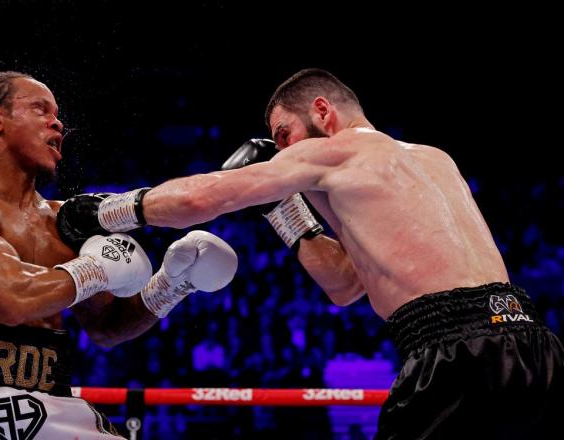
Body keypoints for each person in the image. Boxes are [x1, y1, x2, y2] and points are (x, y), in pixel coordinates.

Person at [57, 68, 564, 438]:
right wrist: (286, 211)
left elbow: (198, 199)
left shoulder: (331, 153)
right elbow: (345, 285)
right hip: (532, 341)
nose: (282, 151)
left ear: (322, 110)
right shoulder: (434, 159)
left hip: (453, 353)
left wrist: (105, 213)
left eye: (284, 134)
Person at [0, 71, 238, 439]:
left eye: (57, 114)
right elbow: (11, 300)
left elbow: (107, 328)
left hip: (50, 399)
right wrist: (94, 270)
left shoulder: (62, 222)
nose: (56, 122)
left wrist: (172, 283)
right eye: (40, 110)